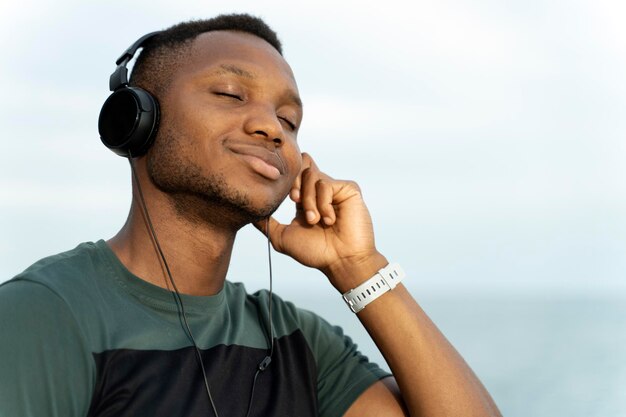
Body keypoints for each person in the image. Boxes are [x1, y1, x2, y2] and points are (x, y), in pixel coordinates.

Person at [0, 14, 502, 417]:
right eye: (230, 95)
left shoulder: (296, 341)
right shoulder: (46, 314)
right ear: (136, 121)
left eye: (290, 120)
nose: (271, 128)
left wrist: (358, 268)